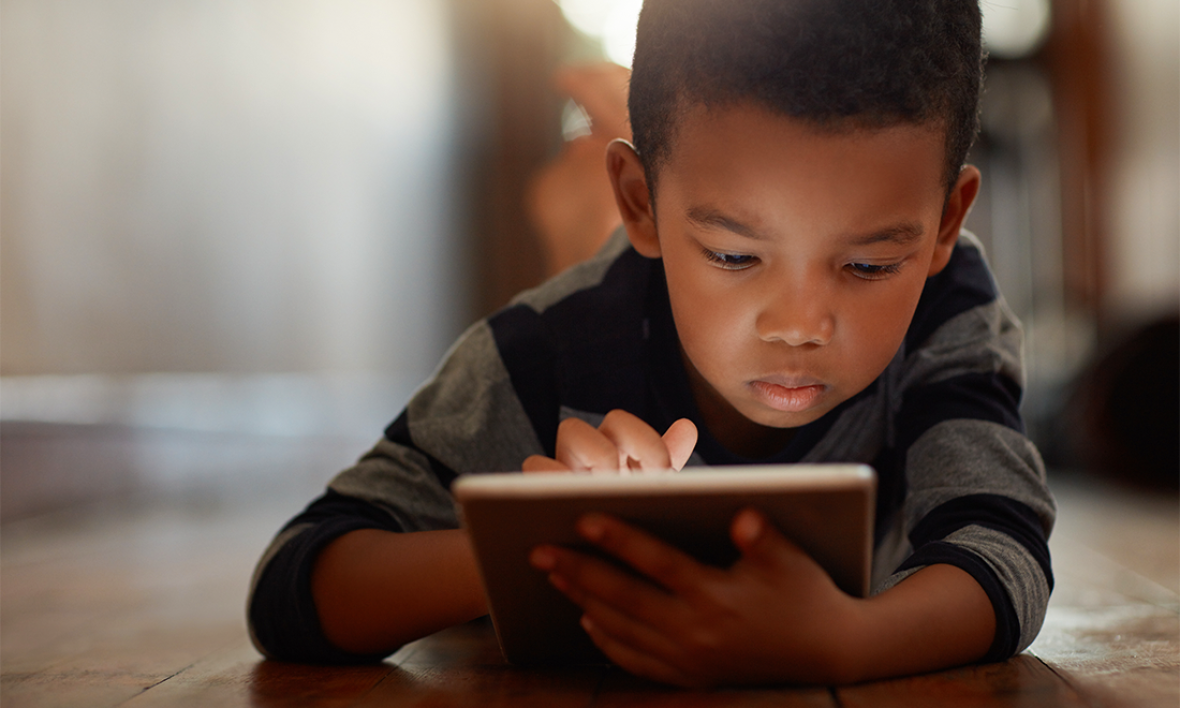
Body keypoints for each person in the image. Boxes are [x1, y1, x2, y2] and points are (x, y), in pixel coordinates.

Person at [248, 0, 1055, 687]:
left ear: (949, 220)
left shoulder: (947, 311)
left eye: (870, 263)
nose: (800, 324)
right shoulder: (546, 354)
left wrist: (840, 641)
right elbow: (296, 583)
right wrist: (542, 541)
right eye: (736, 256)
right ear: (639, 201)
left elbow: (1000, 547)